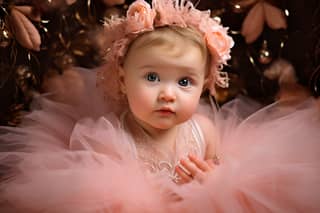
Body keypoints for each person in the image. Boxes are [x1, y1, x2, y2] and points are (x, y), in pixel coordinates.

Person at [0, 0, 319, 212]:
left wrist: (213, 181)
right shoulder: (108, 137)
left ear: (204, 85)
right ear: (123, 80)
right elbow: (104, 198)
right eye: (152, 77)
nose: (169, 95)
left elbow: (219, 175)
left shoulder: (203, 131)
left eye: (184, 82)